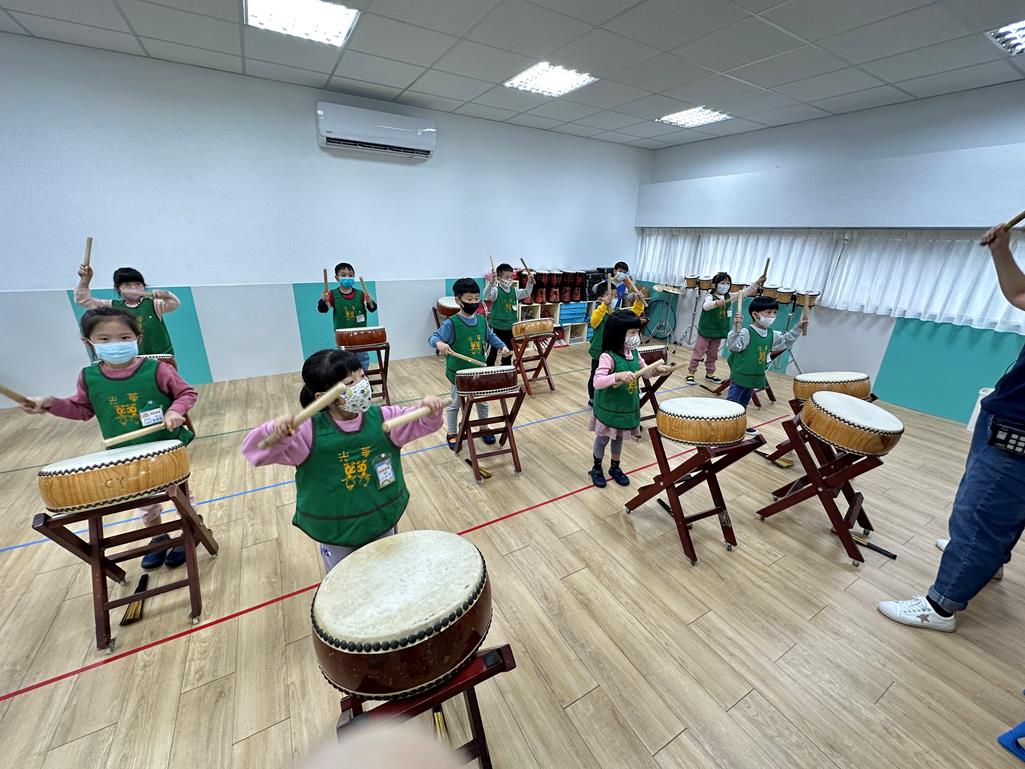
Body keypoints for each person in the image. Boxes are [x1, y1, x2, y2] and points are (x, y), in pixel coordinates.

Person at [879, 223, 1023, 632]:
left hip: (1020, 428)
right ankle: (985, 560)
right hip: (1005, 413)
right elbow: (1020, 294)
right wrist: (1001, 249)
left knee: (981, 513)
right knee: (993, 507)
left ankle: (940, 606)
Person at [20, 306, 198, 568]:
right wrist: (50, 403)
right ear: (89, 342)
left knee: (179, 493)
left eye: (124, 337)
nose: (115, 344)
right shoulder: (89, 377)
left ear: (137, 338)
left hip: (166, 447)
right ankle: (158, 535)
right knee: (143, 500)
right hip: (125, 453)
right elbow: (81, 410)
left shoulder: (156, 370)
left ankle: (190, 527)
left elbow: (187, 393)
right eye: (104, 339)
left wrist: (175, 410)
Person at [242, 349, 445, 573]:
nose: (362, 385)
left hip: (380, 516)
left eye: (362, 376)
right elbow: (254, 451)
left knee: (389, 571)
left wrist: (430, 409)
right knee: (345, 579)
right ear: (323, 398)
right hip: (336, 529)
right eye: (350, 382)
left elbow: (423, 422)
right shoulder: (307, 431)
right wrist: (275, 430)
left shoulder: (384, 418)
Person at [590, 310, 671, 488]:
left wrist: (657, 371)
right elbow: (597, 382)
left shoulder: (634, 353)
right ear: (618, 334)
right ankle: (596, 467)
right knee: (602, 439)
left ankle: (615, 467)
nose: (636, 336)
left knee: (618, 439)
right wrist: (617, 376)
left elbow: (646, 373)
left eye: (637, 332)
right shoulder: (607, 356)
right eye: (632, 332)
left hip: (626, 407)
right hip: (610, 408)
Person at [430, 278, 508, 450]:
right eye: (469, 299)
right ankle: (452, 432)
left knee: (482, 402)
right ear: (458, 300)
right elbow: (433, 337)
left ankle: (484, 427)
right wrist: (440, 344)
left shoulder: (481, 320)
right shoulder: (451, 323)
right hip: (458, 373)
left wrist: (502, 346)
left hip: (478, 370)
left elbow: (490, 336)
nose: (473, 302)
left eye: (476, 299)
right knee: (454, 404)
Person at [725, 295, 807, 434]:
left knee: (744, 403)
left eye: (774, 312)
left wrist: (798, 327)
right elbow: (733, 346)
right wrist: (735, 329)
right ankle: (725, 427)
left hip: (755, 375)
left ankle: (740, 425)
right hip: (741, 375)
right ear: (755, 315)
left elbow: (785, 341)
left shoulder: (771, 333)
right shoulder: (746, 332)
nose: (772, 316)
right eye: (768, 312)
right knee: (731, 403)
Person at [75, 264, 179, 355]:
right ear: (118, 288)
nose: (134, 288)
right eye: (127, 285)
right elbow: (83, 300)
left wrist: (166, 295)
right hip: (131, 360)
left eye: (138, 284)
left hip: (161, 357)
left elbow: (174, 304)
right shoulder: (112, 306)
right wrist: (85, 281)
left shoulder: (154, 304)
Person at [688, 272, 762, 384]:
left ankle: (710, 374)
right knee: (698, 353)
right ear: (714, 285)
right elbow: (706, 306)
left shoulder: (729, 296)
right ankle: (691, 374)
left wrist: (757, 282)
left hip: (718, 332)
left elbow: (744, 293)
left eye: (728, 283)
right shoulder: (709, 296)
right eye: (722, 283)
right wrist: (716, 303)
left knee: (712, 355)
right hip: (706, 331)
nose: (726, 286)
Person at [587, 282, 645, 406]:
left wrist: (639, 301)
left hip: (615, 352)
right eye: (610, 296)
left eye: (615, 296)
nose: (613, 299)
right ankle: (593, 398)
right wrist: (604, 305)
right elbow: (594, 320)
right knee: (596, 376)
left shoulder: (617, 313)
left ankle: (611, 398)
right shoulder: (599, 314)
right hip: (600, 353)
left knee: (614, 376)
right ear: (600, 299)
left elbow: (633, 314)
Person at [318, 262, 379, 372]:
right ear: (337, 278)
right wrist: (323, 300)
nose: (347, 278)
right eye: (343, 275)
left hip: (360, 333)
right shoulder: (332, 294)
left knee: (362, 358)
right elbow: (323, 310)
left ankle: (362, 377)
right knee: (344, 360)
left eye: (350, 275)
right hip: (343, 335)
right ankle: (349, 379)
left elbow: (372, 308)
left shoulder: (361, 294)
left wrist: (370, 301)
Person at [483, 262, 534, 366]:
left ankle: (505, 368)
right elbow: (486, 295)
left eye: (511, 277)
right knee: (492, 352)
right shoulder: (496, 291)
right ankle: (489, 369)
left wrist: (530, 283)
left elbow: (526, 293)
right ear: (499, 278)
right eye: (507, 277)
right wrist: (491, 282)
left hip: (510, 327)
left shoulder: (514, 291)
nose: (510, 279)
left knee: (509, 351)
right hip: (496, 327)